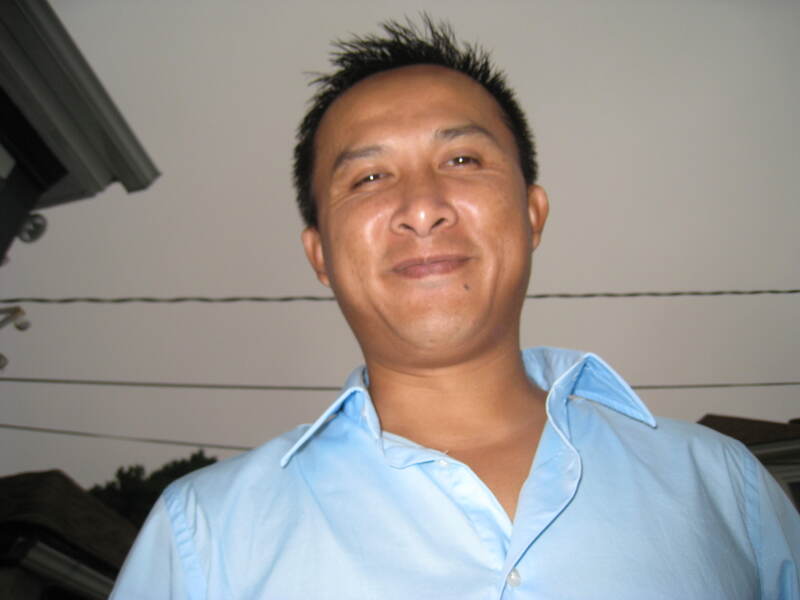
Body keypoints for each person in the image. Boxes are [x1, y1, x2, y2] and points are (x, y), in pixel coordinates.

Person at [111, 17, 799, 599]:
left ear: (532, 213)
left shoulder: (726, 487)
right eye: (369, 176)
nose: (421, 208)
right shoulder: (203, 535)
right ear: (319, 253)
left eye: (463, 160)